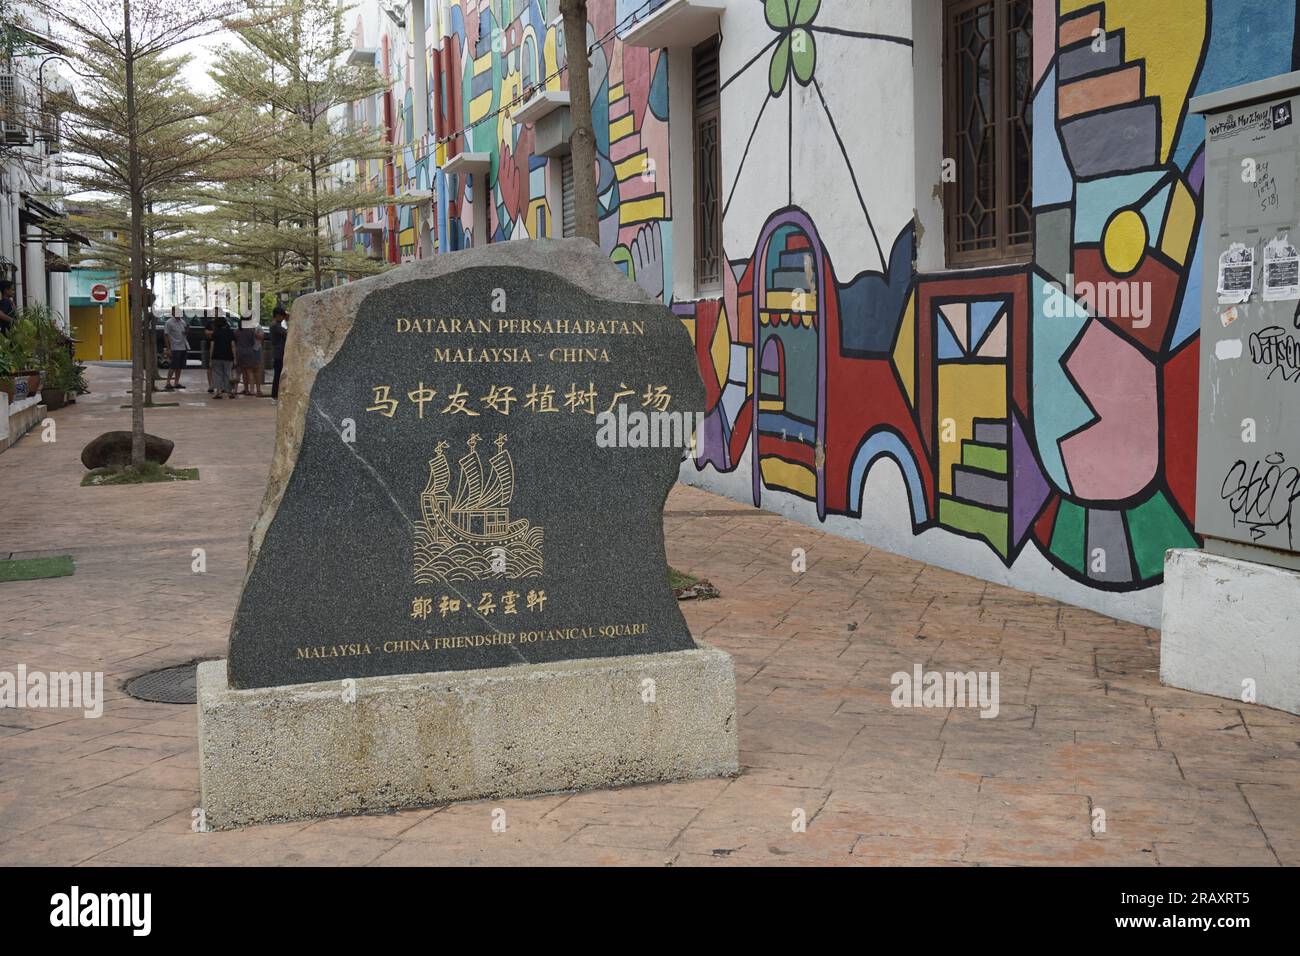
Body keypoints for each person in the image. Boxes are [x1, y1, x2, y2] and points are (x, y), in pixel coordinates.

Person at [208, 316, 237, 400]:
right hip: (228, 356)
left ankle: (218, 392)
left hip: (216, 356)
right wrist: (235, 358)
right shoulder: (230, 332)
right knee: (228, 373)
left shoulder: (215, 333)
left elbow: (212, 346)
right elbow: (232, 345)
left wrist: (210, 359)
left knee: (217, 374)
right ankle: (230, 392)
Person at [235, 317, 264, 398]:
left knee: (243, 371)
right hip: (251, 350)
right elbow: (257, 338)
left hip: (244, 351)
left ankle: (243, 389)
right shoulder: (251, 329)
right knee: (250, 371)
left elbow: (260, 336)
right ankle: (251, 390)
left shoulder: (239, 330)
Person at [161, 311, 189, 391]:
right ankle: (168, 382)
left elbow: (185, 334)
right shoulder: (169, 323)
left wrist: (187, 330)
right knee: (173, 366)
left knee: (180, 366)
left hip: (183, 346)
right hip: (174, 347)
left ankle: (176, 382)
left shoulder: (183, 322)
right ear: (173, 313)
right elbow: (166, 335)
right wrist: (168, 348)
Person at [270, 305, 289, 401]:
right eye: (282, 316)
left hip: (278, 353)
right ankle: (274, 395)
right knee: (277, 375)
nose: (283, 318)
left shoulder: (276, 325)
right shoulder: (275, 326)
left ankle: (275, 395)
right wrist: (290, 320)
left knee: (278, 375)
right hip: (279, 354)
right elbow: (287, 332)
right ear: (277, 316)